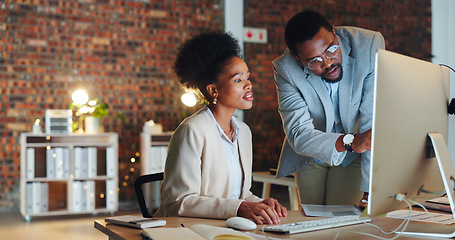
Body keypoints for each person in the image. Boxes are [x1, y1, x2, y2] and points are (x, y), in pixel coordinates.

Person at [153, 32, 287, 225]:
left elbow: (238, 195)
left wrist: (262, 204)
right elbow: (178, 203)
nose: (249, 85)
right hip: (188, 231)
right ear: (213, 90)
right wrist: (240, 207)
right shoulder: (192, 130)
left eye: (248, 78)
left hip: (226, 227)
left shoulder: (243, 132)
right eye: (238, 80)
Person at [272, 11, 385, 208]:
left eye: (330, 49)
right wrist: (349, 141)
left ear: (334, 32)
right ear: (299, 60)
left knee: (342, 222)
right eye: (314, 61)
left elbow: (370, 124)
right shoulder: (286, 68)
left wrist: (370, 189)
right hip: (310, 152)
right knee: (313, 222)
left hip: (354, 154)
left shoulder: (368, 45)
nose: (328, 63)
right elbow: (298, 134)